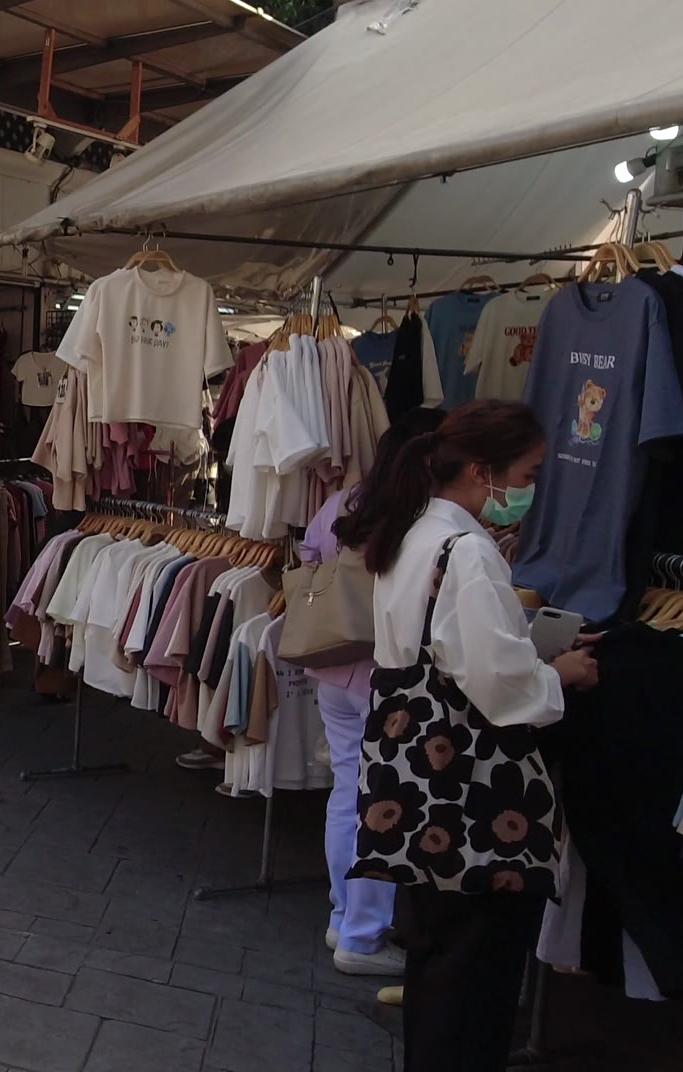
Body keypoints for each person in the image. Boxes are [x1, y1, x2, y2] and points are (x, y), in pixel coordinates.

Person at [355, 399, 597, 1072]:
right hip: (472, 792)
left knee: (437, 956)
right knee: (479, 968)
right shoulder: (467, 551)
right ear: (483, 471)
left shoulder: (410, 533)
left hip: (416, 780)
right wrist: (559, 671)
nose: (532, 487)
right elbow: (498, 683)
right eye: (530, 472)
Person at [297, 407, 444, 977]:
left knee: (346, 795)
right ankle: (361, 935)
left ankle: (344, 915)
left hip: (334, 665)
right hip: (390, 673)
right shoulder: (424, 519)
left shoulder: (349, 502)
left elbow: (309, 557)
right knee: (383, 803)